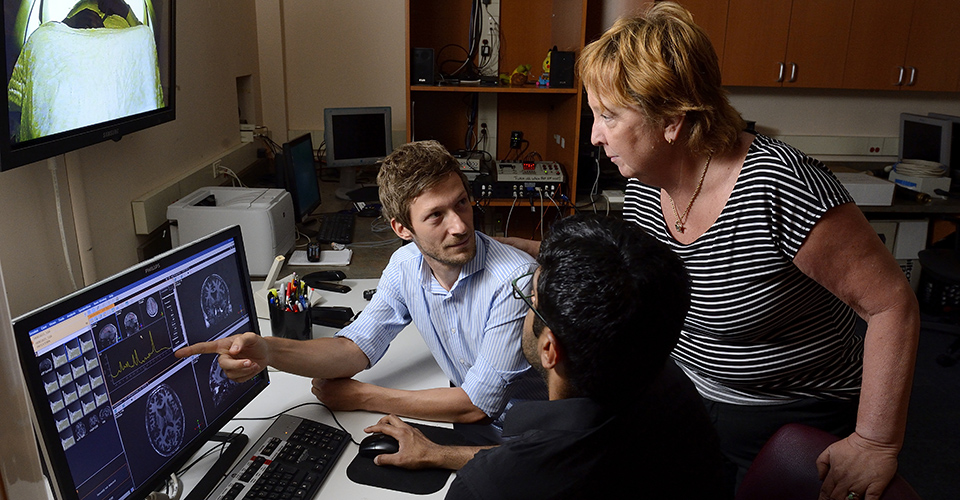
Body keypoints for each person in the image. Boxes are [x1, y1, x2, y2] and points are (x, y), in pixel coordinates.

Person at [501, 3, 921, 499]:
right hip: (690, 393)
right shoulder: (645, 182)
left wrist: (874, 442)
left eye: (608, 116)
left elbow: (893, 303)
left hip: (792, 408)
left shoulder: (778, 185)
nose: (595, 135)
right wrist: (536, 254)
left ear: (672, 121)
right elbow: (639, 276)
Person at [175, 140, 546, 441]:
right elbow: (353, 349)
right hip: (478, 425)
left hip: (529, 438)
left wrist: (364, 397)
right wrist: (269, 350)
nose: (460, 226)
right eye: (436, 215)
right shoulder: (405, 267)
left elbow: (475, 405)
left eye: (461, 203)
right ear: (402, 228)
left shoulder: (512, 282)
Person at [362, 214, 727, 498]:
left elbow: (536, 466)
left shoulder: (493, 487)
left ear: (550, 349)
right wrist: (440, 453)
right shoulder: (673, 387)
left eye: (530, 300)